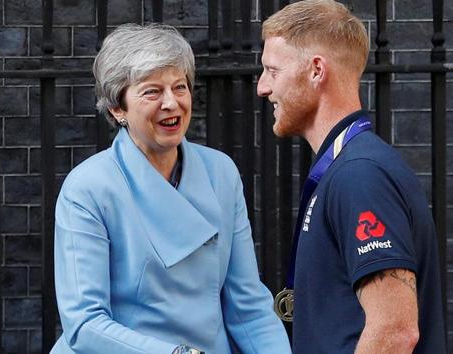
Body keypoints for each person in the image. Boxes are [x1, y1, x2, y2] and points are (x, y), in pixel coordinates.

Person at [51, 23, 291, 354]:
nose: (171, 103)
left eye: (180, 87)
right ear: (117, 109)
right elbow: (85, 325)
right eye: (152, 91)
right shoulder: (89, 188)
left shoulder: (220, 173)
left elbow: (247, 304)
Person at [257, 1, 446, 353]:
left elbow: (395, 332)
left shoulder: (359, 175)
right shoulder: (349, 167)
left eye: (272, 70)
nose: (262, 88)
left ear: (316, 70)